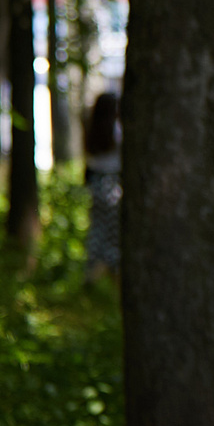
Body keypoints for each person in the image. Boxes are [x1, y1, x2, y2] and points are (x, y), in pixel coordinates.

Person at [84, 90, 123, 283]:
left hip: (96, 184)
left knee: (98, 231)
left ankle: (93, 276)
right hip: (112, 185)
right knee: (114, 234)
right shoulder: (117, 130)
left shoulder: (92, 129)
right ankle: (111, 276)